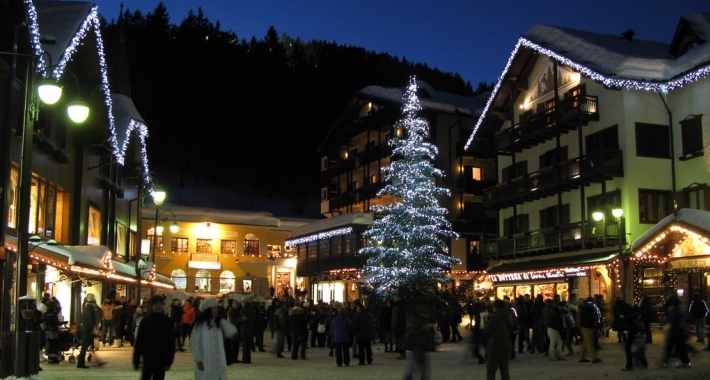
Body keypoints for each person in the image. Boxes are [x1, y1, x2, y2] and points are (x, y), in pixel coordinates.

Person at [190, 297, 237, 380]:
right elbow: (194, 343)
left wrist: (221, 320)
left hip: (218, 362)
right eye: (215, 308)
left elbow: (232, 331)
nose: (217, 309)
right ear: (209, 310)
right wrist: (198, 359)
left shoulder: (217, 324)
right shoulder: (199, 326)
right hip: (206, 361)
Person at [133, 295, 175, 380]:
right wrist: (136, 359)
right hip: (148, 357)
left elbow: (170, 343)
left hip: (161, 359)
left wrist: (168, 361)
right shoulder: (146, 321)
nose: (158, 306)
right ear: (152, 305)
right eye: (156, 303)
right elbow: (140, 341)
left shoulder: (167, 322)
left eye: (160, 303)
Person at [402, 297, 435, 380]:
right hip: (418, 342)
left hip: (419, 343)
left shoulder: (417, 316)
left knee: (418, 363)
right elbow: (414, 330)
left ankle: (412, 377)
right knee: (418, 363)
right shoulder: (418, 318)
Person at [484, 299, 512, 380]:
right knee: (504, 371)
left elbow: (487, 331)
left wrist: (486, 322)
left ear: (495, 307)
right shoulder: (508, 315)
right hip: (506, 346)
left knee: (491, 372)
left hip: (495, 347)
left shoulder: (495, 317)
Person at [662, 293, 690, 368]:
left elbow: (672, 318)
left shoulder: (672, 308)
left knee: (673, 345)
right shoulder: (681, 307)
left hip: (675, 328)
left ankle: (666, 361)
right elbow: (684, 317)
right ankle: (684, 361)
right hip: (680, 327)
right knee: (679, 345)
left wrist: (671, 325)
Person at [77, 293, 101, 369]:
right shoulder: (91, 308)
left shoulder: (86, 307)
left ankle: (81, 363)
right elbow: (93, 319)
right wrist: (94, 329)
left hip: (85, 329)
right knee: (85, 346)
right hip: (87, 329)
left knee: (85, 346)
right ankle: (81, 363)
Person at [621, 305, 648, 371]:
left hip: (633, 332)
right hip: (636, 332)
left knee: (629, 348)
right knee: (635, 348)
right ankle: (642, 362)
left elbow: (628, 322)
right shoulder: (635, 314)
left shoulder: (630, 315)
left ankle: (630, 365)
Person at [577, 297, 602, 363]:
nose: (593, 303)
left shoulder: (587, 308)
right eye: (591, 301)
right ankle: (594, 358)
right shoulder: (587, 308)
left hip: (587, 326)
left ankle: (581, 357)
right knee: (589, 343)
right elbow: (589, 318)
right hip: (586, 326)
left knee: (585, 342)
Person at [391, 294, 407, 360]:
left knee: (401, 341)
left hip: (399, 327)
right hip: (397, 326)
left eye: (395, 297)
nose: (394, 299)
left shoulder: (399, 307)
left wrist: (400, 326)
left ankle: (402, 354)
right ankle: (401, 353)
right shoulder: (397, 306)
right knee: (399, 341)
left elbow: (400, 318)